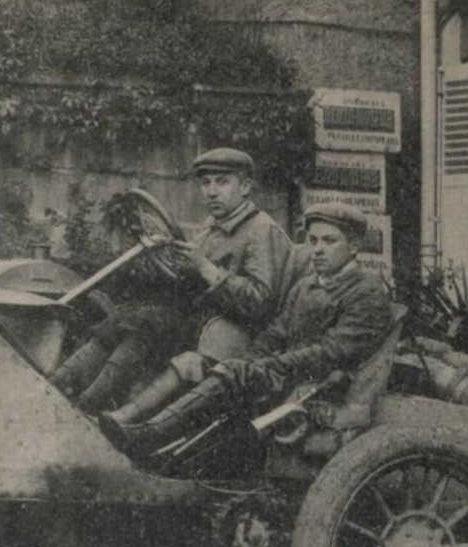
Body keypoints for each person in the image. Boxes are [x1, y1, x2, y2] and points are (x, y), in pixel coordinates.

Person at [100, 202, 393, 457]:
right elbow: (275, 333)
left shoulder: (366, 291)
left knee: (233, 373)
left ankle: (150, 436)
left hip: (318, 387)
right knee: (196, 363)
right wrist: (250, 360)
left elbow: (332, 352)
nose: (317, 249)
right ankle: (126, 419)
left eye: (329, 241)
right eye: (313, 241)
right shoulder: (306, 285)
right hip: (285, 373)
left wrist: (265, 366)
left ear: (354, 246)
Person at [47, 148, 297, 414]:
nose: (211, 192)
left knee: (148, 322)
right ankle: (59, 386)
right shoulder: (211, 225)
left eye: (222, 182)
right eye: (205, 182)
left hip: (228, 335)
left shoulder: (262, 230)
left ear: (245, 186)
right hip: (196, 322)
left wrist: (205, 268)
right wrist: (161, 265)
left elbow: (261, 303)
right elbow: (186, 282)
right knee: (125, 315)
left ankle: (87, 405)